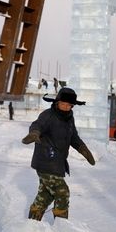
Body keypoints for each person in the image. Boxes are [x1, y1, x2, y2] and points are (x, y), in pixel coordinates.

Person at [21, 87, 95, 221]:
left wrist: (84, 150)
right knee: (62, 193)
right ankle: (61, 228)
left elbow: (74, 137)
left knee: (46, 195)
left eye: (69, 105)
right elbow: (37, 125)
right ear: (57, 102)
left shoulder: (69, 118)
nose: (66, 107)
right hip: (46, 161)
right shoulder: (48, 115)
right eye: (63, 104)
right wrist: (34, 133)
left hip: (57, 163)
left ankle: (32, 223)